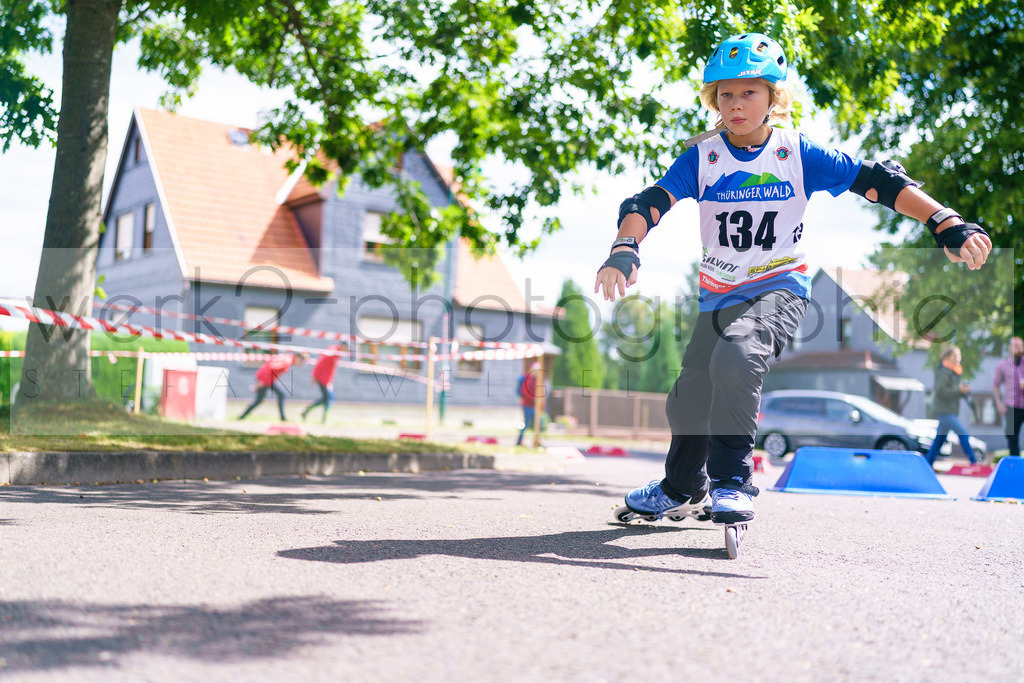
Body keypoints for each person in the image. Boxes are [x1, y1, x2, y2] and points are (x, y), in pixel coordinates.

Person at [594, 33, 992, 528]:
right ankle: (680, 487)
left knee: (737, 358)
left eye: (749, 93)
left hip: (779, 289)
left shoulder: (797, 154)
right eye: (726, 95)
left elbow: (880, 181)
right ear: (713, 100)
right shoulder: (702, 157)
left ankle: (732, 482)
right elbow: (647, 203)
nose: (736, 105)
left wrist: (944, 222)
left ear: (774, 97)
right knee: (688, 397)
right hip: (717, 295)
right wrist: (624, 248)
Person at [924, 346, 977, 466]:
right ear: (947, 357)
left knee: (939, 441)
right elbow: (940, 391)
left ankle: (927, 464)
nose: (958, 358)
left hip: (949, 411)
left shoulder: (954, 372)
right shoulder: (943, 371)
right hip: (944, 411)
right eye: (955, 356)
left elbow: (954, 392)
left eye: (959, 356)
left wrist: (963, 391)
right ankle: (974, 463)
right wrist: (959, 390)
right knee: (963, 434)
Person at [238, 351, 308, 422]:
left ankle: (283, 418)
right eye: (302, 361)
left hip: (269, 380)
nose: (302, 364)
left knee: (280, 395)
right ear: (298, 357)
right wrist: (261, 382)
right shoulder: (287, 361)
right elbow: (271, 367)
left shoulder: (287, 358)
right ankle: (241, 416)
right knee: (259, 400)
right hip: (265, 379)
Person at [992, 336, 1024, 456]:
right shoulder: (1002, 365)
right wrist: (999, 403)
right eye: (1016, 346)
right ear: (1010, 348)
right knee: (1011, 436)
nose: (1019, 349)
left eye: (1021, 346)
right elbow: (995, 386)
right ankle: (1016, 464)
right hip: (1011, 406)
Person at [301, 344, 343, 423]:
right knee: (330, 397)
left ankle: (306, 410)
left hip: (326, 379)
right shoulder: (332, 352)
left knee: (325, 399)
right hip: (323, 379)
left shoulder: (337, 353)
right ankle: (324, 419)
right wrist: (315, 376)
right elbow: (320, 363)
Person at [516, 361, 542, 447]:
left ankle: (536, 441)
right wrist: (534, 399)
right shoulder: (529, 379)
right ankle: (519, 441)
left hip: (532, 405)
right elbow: (525, 392)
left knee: (538, 423)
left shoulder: (535, 379)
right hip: (527, 405)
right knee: (527, 424)